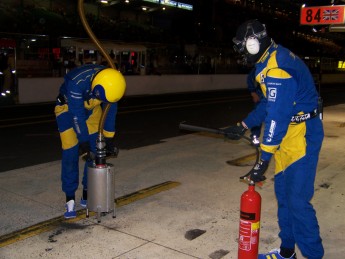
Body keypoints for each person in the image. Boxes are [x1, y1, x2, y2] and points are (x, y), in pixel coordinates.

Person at [225, 20, 324, 259]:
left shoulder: (277, 67)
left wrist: (263, 160)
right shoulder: (270, 59)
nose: (242, 55)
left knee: (298, 202)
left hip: (303, 136)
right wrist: (244, 124)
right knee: (284, 198)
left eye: (243, 48)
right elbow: (270, 104)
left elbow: (277, 117)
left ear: (252, 43)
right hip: (290, 136)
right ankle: (287, 251)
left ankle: (314, 255)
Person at [54, 64, 126, 219]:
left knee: (96, 152)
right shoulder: (76, 82)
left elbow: (110, 112)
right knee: (70, 154)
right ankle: (70, 198)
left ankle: (87, 192)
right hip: (67, 110)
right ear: (97, 89)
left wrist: (108, 139)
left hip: (92, 109)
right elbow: (76, 116)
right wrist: (84, 142)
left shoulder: (112, 82)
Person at [246, 66, 262, 144]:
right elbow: (250, 78)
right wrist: (253, 92)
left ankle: (275, 139)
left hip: (274, 95)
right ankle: (254, 136)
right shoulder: (261, 65)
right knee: (257, 115)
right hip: (261, 94)